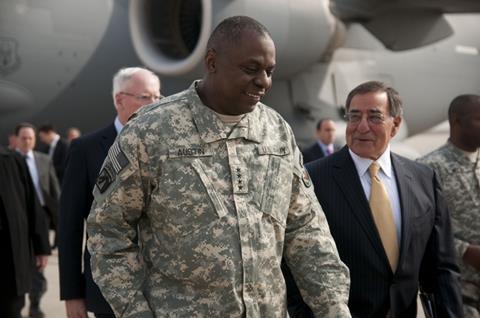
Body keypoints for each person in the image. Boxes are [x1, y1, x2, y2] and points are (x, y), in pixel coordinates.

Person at [87, 16, 350, 318]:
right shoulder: (151, 131)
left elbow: (307, 229)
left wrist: (334, 309)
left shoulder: (276, 132)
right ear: (212, 62)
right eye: (251, 69)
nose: (263, 81)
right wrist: (135, 311)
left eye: (269, 71)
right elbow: (107, 231)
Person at [290, 81, 462, 317]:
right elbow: (292, 268)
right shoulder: (313, 179)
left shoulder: (423, 179)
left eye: (374, 117)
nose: (361, 127)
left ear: (395, 125)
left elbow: (442, 268)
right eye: (354, 117)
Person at [59, 67, 161, 318]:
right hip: (108, 288)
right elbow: (70, 226)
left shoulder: (166, 147)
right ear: (120, 99)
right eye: (145, 97)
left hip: (162, 289)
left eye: (158, 97)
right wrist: (72, 294)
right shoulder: (86, 149)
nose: (155, 104)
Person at [419, 94, 480, 318]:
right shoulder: (428, 168)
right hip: (458, 292)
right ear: (456, 121)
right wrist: (465, 251)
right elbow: (421, 230)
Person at [0, 145, 50, 318]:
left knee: (11, 308)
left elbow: (32, 205)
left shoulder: (13, 160)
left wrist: (41, 247)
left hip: (10, 260)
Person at [16, 122, 60, 318]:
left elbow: (53, 188)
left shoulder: (43, 160)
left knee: (40, 262)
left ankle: (35, 303)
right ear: (17, 140)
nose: (27, 141)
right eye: (24, 138)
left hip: (40, 218)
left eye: (31, 138)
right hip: (17, 218)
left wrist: (59, 217)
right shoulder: (10, 160)